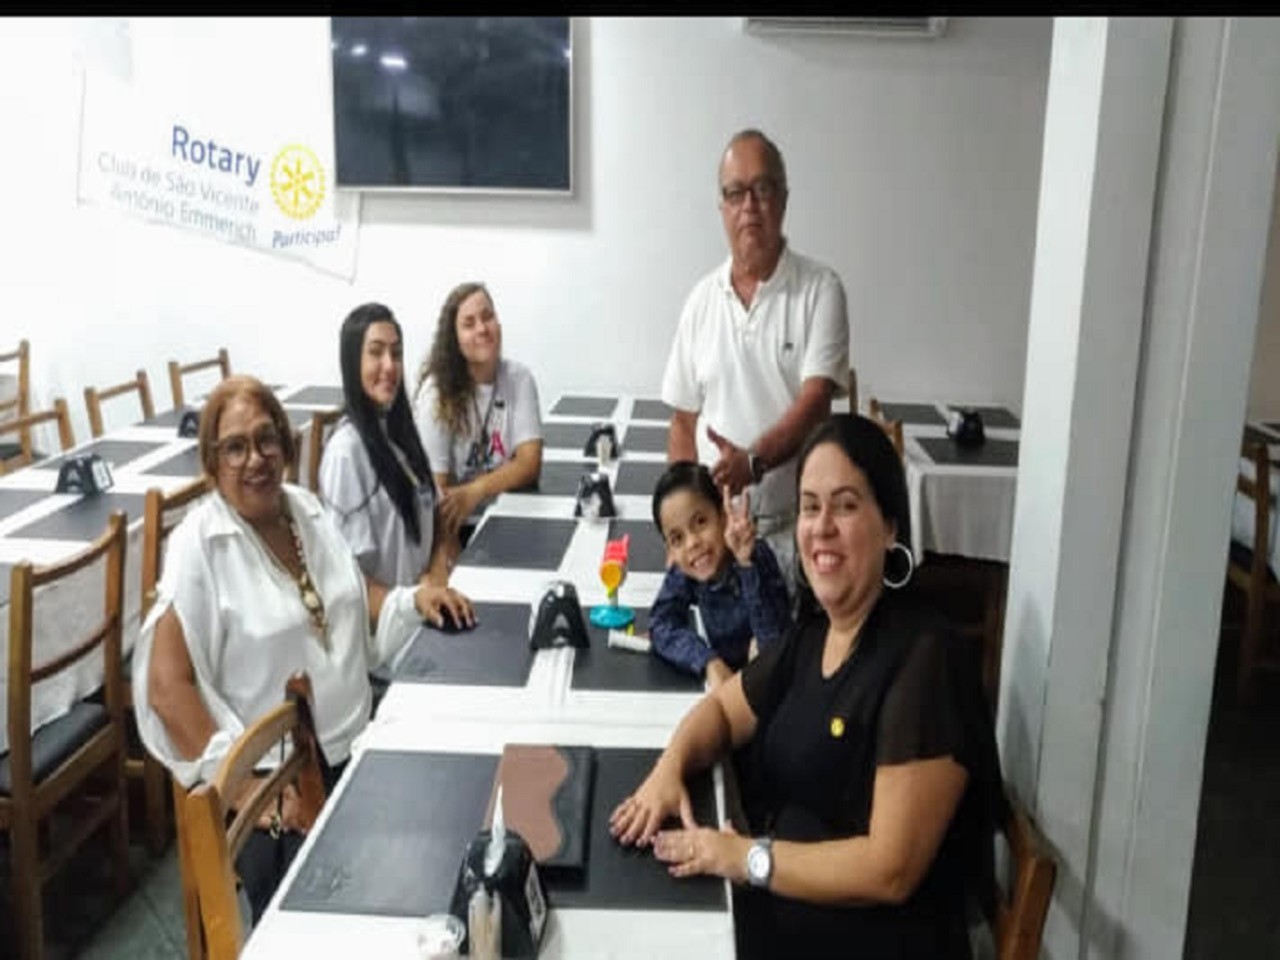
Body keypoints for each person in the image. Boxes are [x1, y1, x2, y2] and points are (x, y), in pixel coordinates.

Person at [611, 415, 1007, 959]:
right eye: (810, 506)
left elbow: (889, 870)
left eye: (845, 505)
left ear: (890, 525)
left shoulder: (926, 658)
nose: (821, 527)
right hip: (790, 910)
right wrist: (669, 768)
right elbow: (722, 711)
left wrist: (745, 857)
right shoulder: (816, 633)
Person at [134, 375, 414, 922]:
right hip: (274, 783)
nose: (255, 459)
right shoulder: (199, 544)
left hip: (355, 746)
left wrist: (413, 601)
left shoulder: (305, 509)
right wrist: (244, 788)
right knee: (328, 921)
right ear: (212, 462)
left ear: (286, 444)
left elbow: (351, 596)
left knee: (414, 874)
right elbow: (166, 689)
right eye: (235, 448)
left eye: (266, 439)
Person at [661, 129, 850, 586]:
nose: (749, 206)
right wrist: (680, 532)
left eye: (762, 189)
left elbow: (815, 403)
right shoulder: (701, 301)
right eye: (735, 193)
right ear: (722, 207)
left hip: (796, 535)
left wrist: (753, 463)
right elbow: (683, 423)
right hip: (715, 542)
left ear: (783, 200)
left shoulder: (820, 290)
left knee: (784, 634)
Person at [320, 303, 475, 652]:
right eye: (376, 353)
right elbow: (350, 586)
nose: (389, 366)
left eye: (397, 353)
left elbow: (438, 517)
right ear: (352, 361)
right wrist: (416, 600)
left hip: (424, 612)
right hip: (387, 640)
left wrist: (436, 573)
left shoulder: (398, 432)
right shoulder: (347, 454)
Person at [414, 282, 543, 550]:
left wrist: (474, 491)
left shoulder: (520, 379)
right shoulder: (436, 395)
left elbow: (530, 464)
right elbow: (437, 501)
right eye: (469, 323)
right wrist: (454, 561)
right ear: (455, 339)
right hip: (457, 529)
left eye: (487, 317)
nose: (482, 328)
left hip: (511, 517)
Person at [649, 460, 792, 688]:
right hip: (727, 683)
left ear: (723, 515)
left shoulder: (755, 556)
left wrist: (746, 564)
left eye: (700, 522)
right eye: (677, 539)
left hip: (776, 681)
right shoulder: (687, 569)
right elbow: (660, 623)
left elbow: (772, 646)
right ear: (670, 550)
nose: (692, 543)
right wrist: (708, 661)